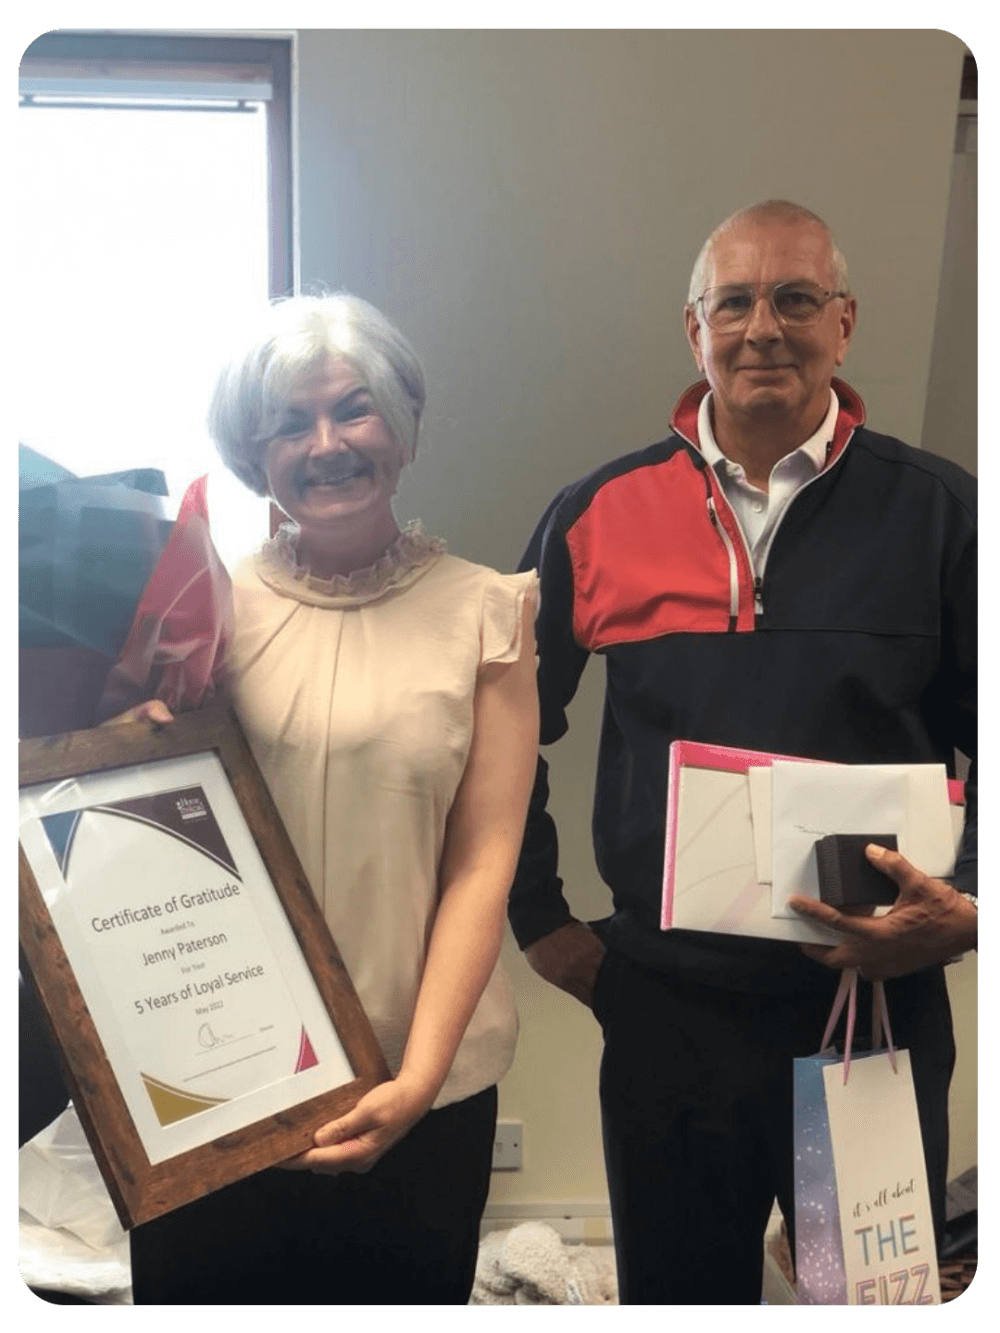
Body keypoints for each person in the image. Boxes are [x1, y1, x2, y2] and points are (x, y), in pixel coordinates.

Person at [508, 201, 977, 1305]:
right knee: (679, 1290)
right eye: (736, 301)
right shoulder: (596, 513)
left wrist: (965, 904)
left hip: (868, 1006)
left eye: (796, 299)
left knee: (865, 1293)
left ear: (844, 323)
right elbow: (504, 724)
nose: (764, 326)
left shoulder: (941, 514)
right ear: (695, 330)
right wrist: (542, 921)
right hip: (667, 1009)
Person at [128, 294, 539, 1305]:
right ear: (250, 449)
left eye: (353, 410)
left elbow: (482, 863)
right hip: (216, 1079)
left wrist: (416, 1081)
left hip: (419, 1070)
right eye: (287, 423)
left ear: (400, 425)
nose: (325, 445)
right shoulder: (202, 610)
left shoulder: (487, 612)